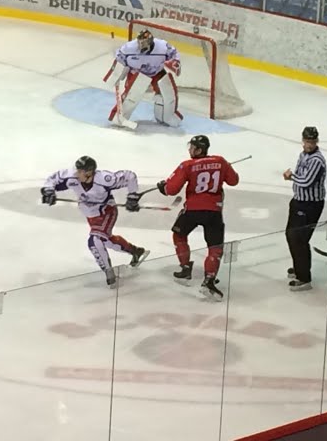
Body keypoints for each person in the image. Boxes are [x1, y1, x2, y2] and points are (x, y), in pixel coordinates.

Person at [41, 156, 149, 287]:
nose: (77, 173)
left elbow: (129, 176)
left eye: (80, 171)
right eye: (77, 169)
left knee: (94, 241)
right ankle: (136, 251)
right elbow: (52, 179)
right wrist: (49, 192)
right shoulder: (72, 177)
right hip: (91, 215)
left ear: (89, 172)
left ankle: (109, 274)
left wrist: (132, 196)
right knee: (107, 241)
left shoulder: (104, 179)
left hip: (107, 212)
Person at [157, 135, 239, 300]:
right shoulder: (221, 161)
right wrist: (224, 168)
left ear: (199, 150)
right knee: (215, 246)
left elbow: (171, 189)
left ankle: (186, 268)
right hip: (214, 212)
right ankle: (209, 279)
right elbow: (234, 181)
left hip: (193, 210)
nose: (190, 149)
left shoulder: (187, 165)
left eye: (192, 147)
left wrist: (163, 187)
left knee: (179, 234)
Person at [282, 126, 327, 290]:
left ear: (316, 141)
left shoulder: (317, 160)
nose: (309, 144)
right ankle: (299, 266)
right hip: (299, 201)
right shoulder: (303, 155)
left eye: (312, 141)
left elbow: (307, 181)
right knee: (292, 235)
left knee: (298, 239)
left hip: (310, 205)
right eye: (307, 141)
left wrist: (290, 177)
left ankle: (304, 277)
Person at [109, 29, 183, 127]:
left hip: (157, 72)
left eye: (143, 42)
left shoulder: (162, 46)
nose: (140, 45)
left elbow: (174, 54)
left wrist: (175, 63)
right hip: (137, 73)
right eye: (139, 42)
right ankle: (118, 117)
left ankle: (166, 117)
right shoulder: (129, 47)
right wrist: (117, 73)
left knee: (167, 94)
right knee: (132, 97)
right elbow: (119, 58)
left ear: (150, 41)